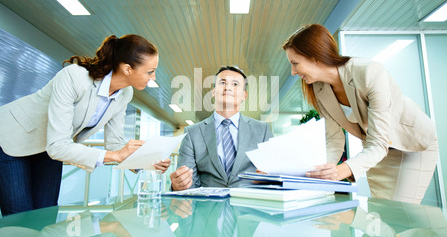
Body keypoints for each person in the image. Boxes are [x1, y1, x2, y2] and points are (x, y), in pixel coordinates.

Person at [0, 34, 170, 216]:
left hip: (48, 146)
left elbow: (115, 145)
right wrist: (116, 155)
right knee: (20, 216)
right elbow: (60, 146)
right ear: (128, 69)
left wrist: (146, 161)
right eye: (150, 71)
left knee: (45, 212)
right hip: (13, 137)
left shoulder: (125, 94)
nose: (153, 77)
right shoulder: (74, 77)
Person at [282, 24, 439, 204]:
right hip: (376, 152)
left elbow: (379, 142)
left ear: (315, 57)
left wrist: (341, 171)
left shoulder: (368, 71)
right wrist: (315, 172)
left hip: (411, 144)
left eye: (295, 63)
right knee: (381, 215)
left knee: (401, 212)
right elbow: (334, 141)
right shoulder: (319, 89)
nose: (293, 72)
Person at [170, 66, 273, 190]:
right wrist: (178, 185)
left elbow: (272, 176)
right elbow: (188, 186)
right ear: (213, 92)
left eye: (235, 84)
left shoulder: (263, 130)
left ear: (244, 96)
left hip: (248, 206)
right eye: (222, 83)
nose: (228, 87)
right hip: (207, 207)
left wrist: (271, 177)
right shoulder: (192, 133)